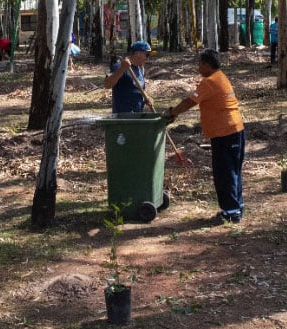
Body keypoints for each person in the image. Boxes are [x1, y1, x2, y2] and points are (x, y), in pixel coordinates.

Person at [164, 49, 245, 223]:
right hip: (235, 129)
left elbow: (189, 102)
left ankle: (231, 212)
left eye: (200, 64)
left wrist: (172, 113)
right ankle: (236, 208)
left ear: (207, 65)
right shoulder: (220, 77)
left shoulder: (209, 82)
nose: (198, 67)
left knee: (225, 172)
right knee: (233, 170)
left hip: (225, 132)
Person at [105, 41, 154, 114]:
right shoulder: (119, 66)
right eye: (147, 55)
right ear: (138, 53)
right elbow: (107, 85)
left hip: (137, 114)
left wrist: (147, 97)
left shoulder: (139, 68)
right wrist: (122, 69)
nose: (148, 58)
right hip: (123, 117)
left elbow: (137, 88)